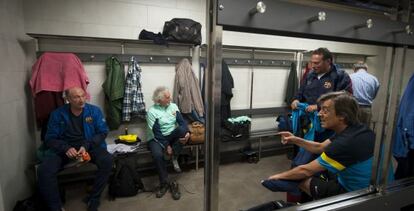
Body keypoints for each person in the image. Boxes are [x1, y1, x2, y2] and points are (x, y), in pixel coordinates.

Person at [269, 92, 385, 199]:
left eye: (325, 110)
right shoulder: (356, 129)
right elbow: (320, 147)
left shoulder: (344, 143)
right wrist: (294, 140)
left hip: (360, 195)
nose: (319, 114)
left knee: (301, 180)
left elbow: (305, 171)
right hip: (378, 186)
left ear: (342, 116)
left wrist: (278, 177)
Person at [37, 87, 112, 211]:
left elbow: (103, 132)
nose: (81, 99)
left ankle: (94, 198)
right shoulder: (57, 114)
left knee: (107, 161)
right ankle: (56, 206)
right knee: (44, 170)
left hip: (89, 146)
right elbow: (49, 138)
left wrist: (86, 145)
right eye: (76, 97)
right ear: (68, 99)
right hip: (65, 149)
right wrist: (66, 148)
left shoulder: (94, 111)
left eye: (83, 96)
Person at [146, 86, 190, 200]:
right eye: (167, 97)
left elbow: (182, 123)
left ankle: (174, 155)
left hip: (170, 135)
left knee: (183, 130)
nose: (170, 98)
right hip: (155, 138)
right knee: (157, 155)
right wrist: (167, 145)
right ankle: (164, 182)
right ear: (159, 100)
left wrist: (187, 133)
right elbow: (156, 132)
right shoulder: (152, 111)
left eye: (169, 96)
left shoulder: (173, 106)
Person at [291, 48, 352, 114]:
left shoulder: (340, 76)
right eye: (312, 62)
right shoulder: (310, 75)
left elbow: (345, 100)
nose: (313, 66)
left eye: (316, 63)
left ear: (328, 61)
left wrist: (319, 106)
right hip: (308, 117)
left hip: (329, 118)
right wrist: (296, 100)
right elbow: (301, 92)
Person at [350, 61, 380, 126]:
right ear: (366, 68)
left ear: (354, 68)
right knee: (364, 131)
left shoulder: (350, 77)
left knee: (351, 130)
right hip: (367, 109)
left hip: (352, 108)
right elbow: (374, 95)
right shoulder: (374, 79)